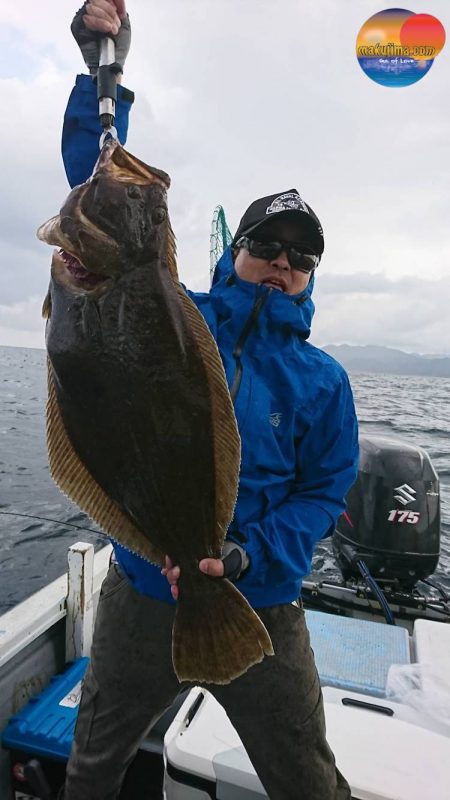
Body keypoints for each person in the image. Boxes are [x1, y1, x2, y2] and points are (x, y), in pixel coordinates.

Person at [58, 2, 359, 798]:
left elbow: (323, 492)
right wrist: (101, 73)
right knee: (92, 768)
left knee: (307, 780)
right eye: (267, 244)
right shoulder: (171, 315)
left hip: (259, 599)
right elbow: (102, 203)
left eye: (302, 256)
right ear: (235, 252)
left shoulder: (324, 381)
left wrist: (251, 553)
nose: (282, 262)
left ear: (311, 276)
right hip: (143, 586)